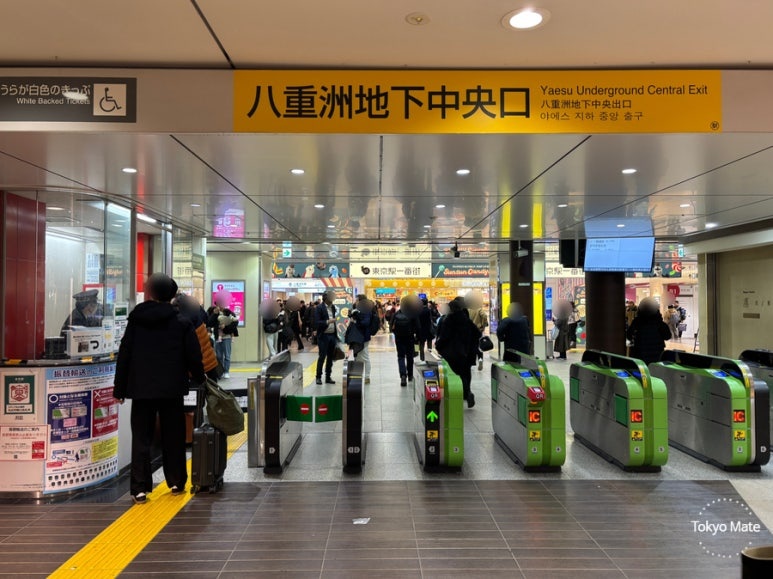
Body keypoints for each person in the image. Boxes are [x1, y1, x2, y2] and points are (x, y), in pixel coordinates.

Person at [113, 273, 205, 504]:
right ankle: (175, 482)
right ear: (173, 295)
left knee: (141, 437)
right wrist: (200, 378)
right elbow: (193, 355)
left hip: (141, 388)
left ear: (150, 293)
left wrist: (119, 389)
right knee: (173, 435)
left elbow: (125, 354)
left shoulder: (136, 320)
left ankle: (139, 488)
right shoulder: (181, 322)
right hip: (171, 388)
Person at [434, 296, 481, 408]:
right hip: (465, 352)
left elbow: (444, 336)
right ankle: (467, 393)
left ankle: (461, 393)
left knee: (456, 374)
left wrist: (438, 346)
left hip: (452, 353)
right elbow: (477, 334)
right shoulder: (466, 320)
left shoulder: (448, 320)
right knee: (465, 373)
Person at [346, 294, 380, 384]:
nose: (355, 302)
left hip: (363, 337)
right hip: (357, 336)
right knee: (357, 356)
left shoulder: (366, 310)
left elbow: (365, 323)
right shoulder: (360, 309)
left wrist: (355, 319)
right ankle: (358, 375)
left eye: (357, 300)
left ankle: (367, 377)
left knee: (364, 356)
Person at [627, 297, 672, 365]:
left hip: (640, 354)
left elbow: (629, 335)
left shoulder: (637, 322)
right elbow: (667, 336)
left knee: (641, 373)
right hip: (657, 355)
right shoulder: (659, 323)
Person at [391, 296, 420, 387]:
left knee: (400, 357)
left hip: (399, 339)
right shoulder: (413, 314)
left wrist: (396, 333)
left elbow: (391, 327)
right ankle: (410, 375)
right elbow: (418, 327)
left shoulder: (396, 314)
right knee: (410, 357)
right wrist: (416, 337)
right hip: (410, 338)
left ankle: (403, 375)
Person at [313, 289, 338, 385]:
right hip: (323, 336)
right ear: (325, 297)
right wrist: (328, 321)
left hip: (332, 335)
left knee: (330, 357)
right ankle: (318, 377)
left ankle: (328, 376)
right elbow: (317, 322)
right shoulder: (319, 308)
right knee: (322, 356)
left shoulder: (333, 307)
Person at [211, 300, 238, 379]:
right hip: (217, 337)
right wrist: (214, 314)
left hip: (227, 337)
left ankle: (226, 371)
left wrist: (225, 328)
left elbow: (235, 323)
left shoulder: (229, 312)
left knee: (227, 355)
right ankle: (221, 371)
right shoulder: (214, 312)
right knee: (219, 356)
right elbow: (209, 322)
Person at [467, 297, 488, 370]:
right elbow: (484, 316)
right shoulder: (479, 309)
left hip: (469, 331)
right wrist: (483, 326)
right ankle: (480, 360)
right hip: (478, 330)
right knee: (478, 347)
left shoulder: (467, 309)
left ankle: (469, 363)